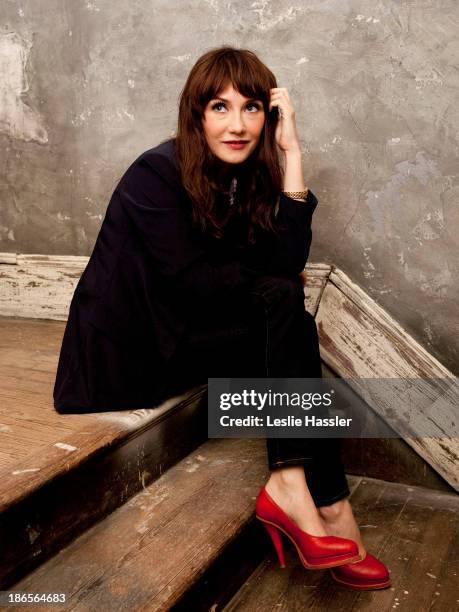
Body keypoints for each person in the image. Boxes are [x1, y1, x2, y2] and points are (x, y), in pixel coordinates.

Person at [53, 46, 390, 590]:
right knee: (284, 303)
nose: (237, 125)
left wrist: (294, 155)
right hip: (128, 355)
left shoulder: (244, 178)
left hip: (186, 337)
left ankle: (315, 499)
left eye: (252, 108)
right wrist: (268, 273)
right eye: (220, 107)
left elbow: (281, 265)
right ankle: (323, 504)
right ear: (196, 114)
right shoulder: (154, 174)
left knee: (288, 313)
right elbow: (200, 285)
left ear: (269, 117)